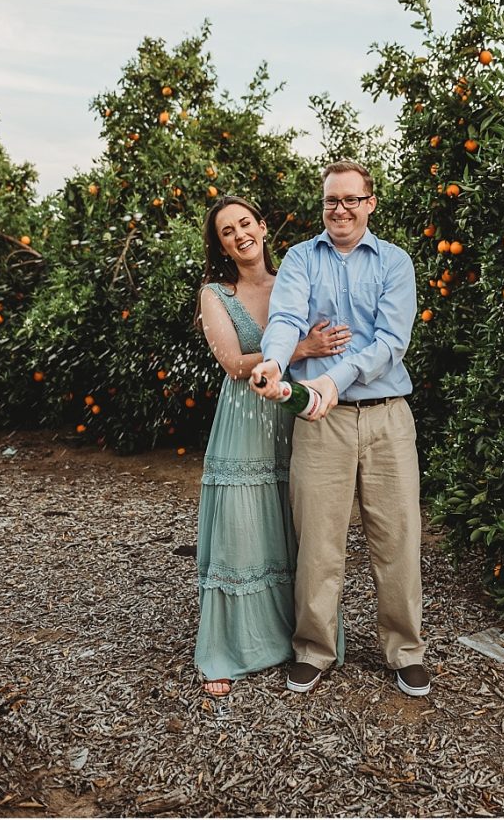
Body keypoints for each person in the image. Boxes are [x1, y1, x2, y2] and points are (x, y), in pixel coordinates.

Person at [250, 160, 429, 698]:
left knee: (398, 537)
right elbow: (285, 318)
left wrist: (332, 376)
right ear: (322, 204)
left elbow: (391, 340)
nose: (341, 209)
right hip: (319, 422)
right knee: (319, 542)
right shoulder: (302, 258)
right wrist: (276, 363)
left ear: (370, 204)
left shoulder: (396, 262)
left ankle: (405, 651)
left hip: (386, 416)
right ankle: (314, 649)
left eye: (352, 199)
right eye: (332, 200)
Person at [193, 195, 350, 697]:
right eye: (226, 232)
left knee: (300, 524)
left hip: (295, 413)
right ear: (220, 245)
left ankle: (301, 640)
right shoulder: (216, 293)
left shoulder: (295, 279)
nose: (239, 235)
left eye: (245, 224)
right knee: (243, 527)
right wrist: (301, 347)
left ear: (262, 227)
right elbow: (235, 364)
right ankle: (229, 648)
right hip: (244, 418)